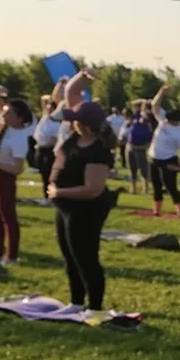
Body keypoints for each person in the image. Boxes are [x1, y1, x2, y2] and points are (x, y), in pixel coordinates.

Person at [47, 101, 117, 314]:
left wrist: (60, 192)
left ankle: (94, 306)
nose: (70, 122)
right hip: (65, 207)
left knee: (85, 256)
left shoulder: (98, 150)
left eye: (75, 119)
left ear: (85, 124)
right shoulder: (73, 139)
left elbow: (92, 189)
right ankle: (76, 301)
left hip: (87, 209)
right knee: (69, 254)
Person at [0, 87, 33, 264]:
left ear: (19, 119)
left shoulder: (19, 137)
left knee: (8, 216)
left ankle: (11, 256)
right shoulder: (3, 125)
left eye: (9, 113)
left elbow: (18, 169)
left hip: (3, 176)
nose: (4, 114)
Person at [149, 100, 180, 218]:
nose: (166, 120)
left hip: (168, 160)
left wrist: (179, 166)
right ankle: (156, 211)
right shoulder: (163, 121)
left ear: (176, 121)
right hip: (154, 159)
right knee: (156, 186)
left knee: (171, 187)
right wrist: (162, 92)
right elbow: (154, 105)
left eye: (169, 119)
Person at [32, 96, 62, 199]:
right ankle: (46, 196)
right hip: (40, 150)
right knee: (44, 175)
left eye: (51, 108)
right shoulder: (45, 119)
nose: (48, 109)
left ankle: (53, 196)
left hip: (50, 151)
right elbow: (43, 102)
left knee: (50, 175)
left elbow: (56, 139)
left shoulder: (57, 123)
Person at [126, 110, 154, 195]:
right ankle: (133, 189)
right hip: (130, 148)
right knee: (132, 169)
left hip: (140, 150)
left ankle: (145, 189)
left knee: (143, 170)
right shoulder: (135, 121)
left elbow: (149, 143)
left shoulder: (147, 129)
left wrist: (141, 147)